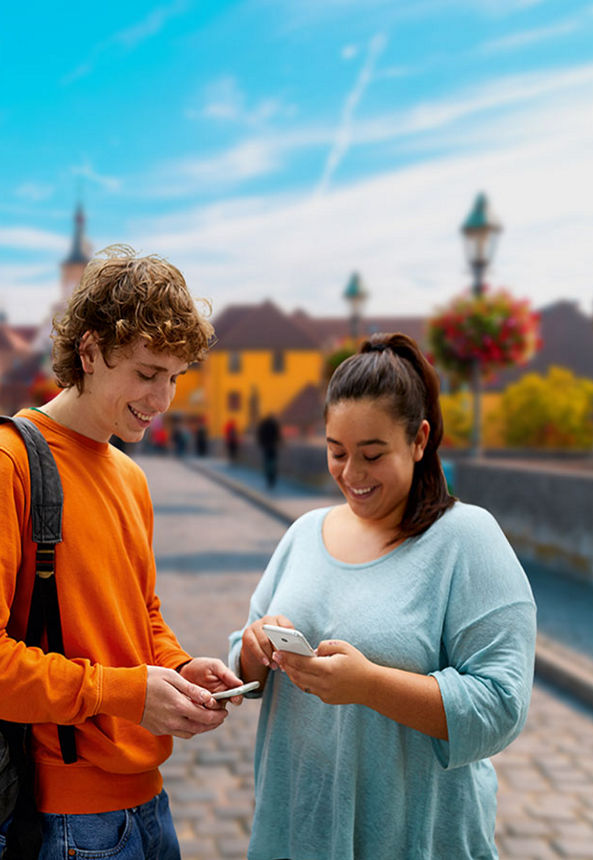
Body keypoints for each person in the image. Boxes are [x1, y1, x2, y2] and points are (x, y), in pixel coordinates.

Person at [0, 245, 246, 860]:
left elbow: (141, 615)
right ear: (91, 351)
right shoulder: (4, 463)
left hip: (150, 805)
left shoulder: (131, 478)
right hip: (62, 824)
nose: (163, 400)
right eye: (148, 373)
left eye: (174, 378)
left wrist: (178, 671)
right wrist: (122, 693)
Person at [228, 333, 536, 860]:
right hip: (298, 832)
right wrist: (252, 652)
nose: (351, 475)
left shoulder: (467, 539)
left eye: (372, 454)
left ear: (419, 440)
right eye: (336, 452)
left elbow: (501, 707)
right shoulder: (303, 533)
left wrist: (368, 685)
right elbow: (245, 662)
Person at [255, 413, 281, 489]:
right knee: (273, 463)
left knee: (267, 463)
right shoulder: (274, 425)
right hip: (273, 446)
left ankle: (269, 479)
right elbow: (278, 435)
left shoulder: (264, 425)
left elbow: (260, 435)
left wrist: (261, 443)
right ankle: (272, 479)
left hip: (266, 446)